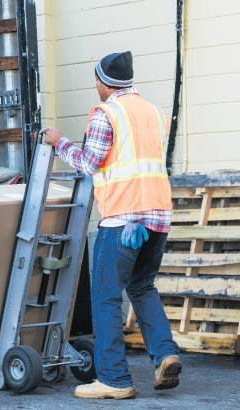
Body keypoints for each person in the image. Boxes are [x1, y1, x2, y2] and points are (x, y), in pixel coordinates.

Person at [42, 51, 182, 399]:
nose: (95, 85)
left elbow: (89, 164)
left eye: (95, 80)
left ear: (104, 82)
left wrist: (58, 142)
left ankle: (114, 380)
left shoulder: (107, 114)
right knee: (143, 287)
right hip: (158, 218)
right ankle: (165, 354)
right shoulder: (154, 113)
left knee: (105, 297)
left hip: (123, 220)